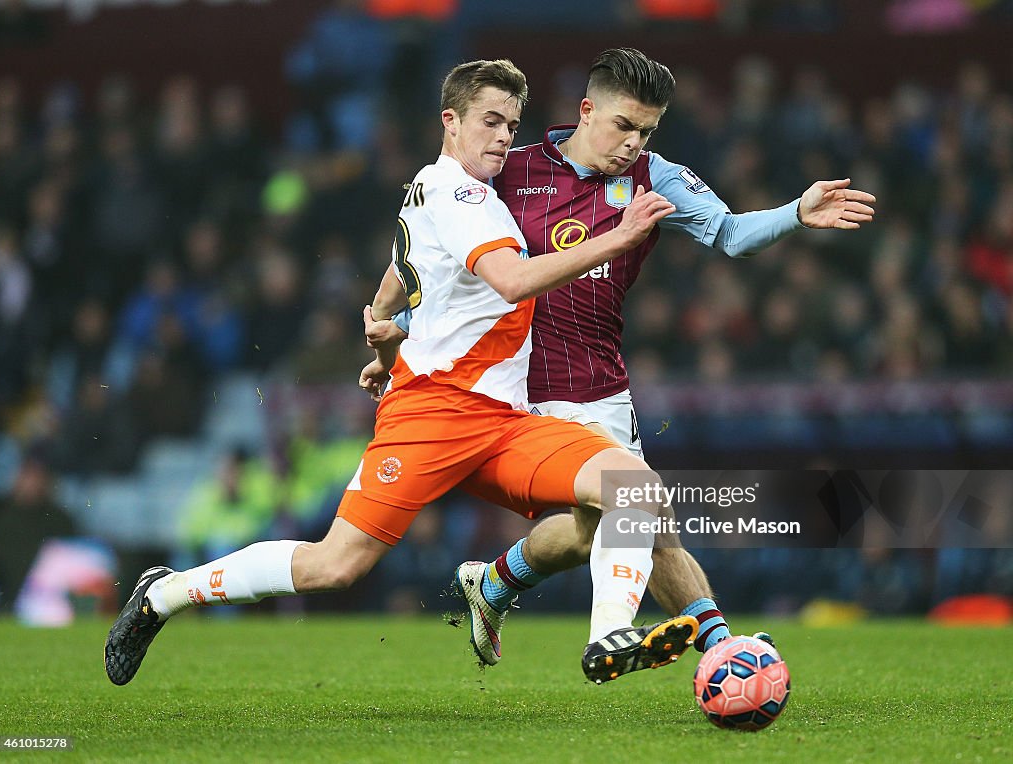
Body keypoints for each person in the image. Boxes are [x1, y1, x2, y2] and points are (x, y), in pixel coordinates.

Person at [105, 58, 698, 688]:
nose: (503, 136)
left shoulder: (439, 188)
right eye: (490, 122)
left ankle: (607, 637)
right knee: (335, 566)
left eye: (512, 124)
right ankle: (163, 594)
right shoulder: (461, 194)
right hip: (434, 413)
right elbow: (514, 280)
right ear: (450, 121)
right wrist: (620, 237)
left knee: (632, 485)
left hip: (502, 420)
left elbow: (397, 277)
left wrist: (384, 342)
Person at [365, 48, 876, 668]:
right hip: (519, 389)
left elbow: (731, 234)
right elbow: (433, 252)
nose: (635, 143)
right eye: (624, 126)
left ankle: (497, 583)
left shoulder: (656, 178)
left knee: (606, 528)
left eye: (647, 131)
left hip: (601, 386)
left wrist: (795, 212)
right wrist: (396, 326)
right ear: (587, 110)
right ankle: (647, 641)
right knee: (639, 517)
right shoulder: (506, 169)